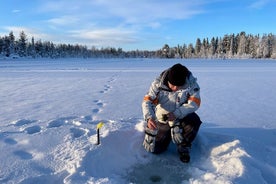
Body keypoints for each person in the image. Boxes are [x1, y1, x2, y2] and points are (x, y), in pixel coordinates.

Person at [142, 63, 202, 163]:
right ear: (168, 80)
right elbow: (148, 101)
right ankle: (170, 133)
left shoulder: (191, 84)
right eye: (172, 85)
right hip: (163, 117)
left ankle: (183, 145)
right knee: (156, 149)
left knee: (194, 121)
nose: (175, 88)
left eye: (178, 86)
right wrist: (149, 118)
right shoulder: (158, 84)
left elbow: (194, 103)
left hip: (182, 115)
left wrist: (176, 114)